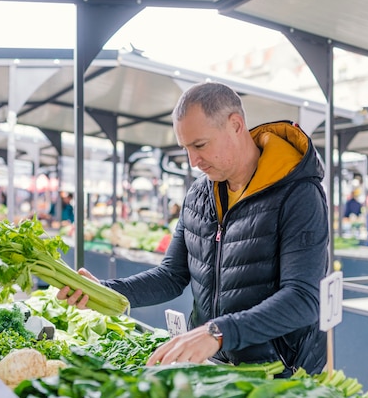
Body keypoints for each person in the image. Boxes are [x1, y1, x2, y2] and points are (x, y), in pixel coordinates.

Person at [58, 82, 329, 377]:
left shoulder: (298, 194)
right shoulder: (199, 194)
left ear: (235, 125)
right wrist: (104, 292)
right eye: (186, 148)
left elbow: (303, 298)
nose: (193, 161)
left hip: (280, 373)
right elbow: (172, 275)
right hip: (214, 367)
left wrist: (217, 332)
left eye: (200, 145)